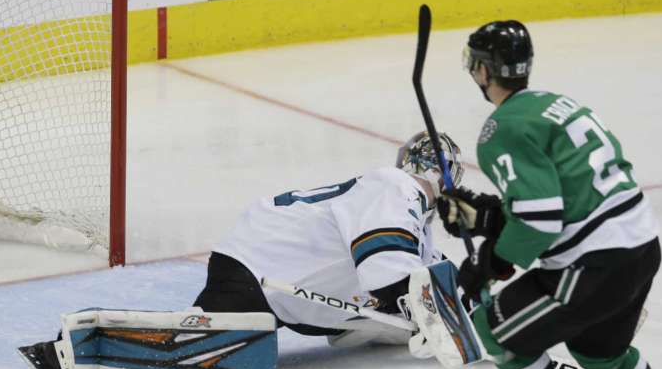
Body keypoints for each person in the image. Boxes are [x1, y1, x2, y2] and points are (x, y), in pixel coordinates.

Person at [439, 20, 662, 369]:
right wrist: (486, 216)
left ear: (482, 71)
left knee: (495, 330)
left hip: (592, 264)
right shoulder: (556, 104)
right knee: (600, 349)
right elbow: (568, 196)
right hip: (640, 247)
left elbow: (541, 219)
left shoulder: (500, 130)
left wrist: (490, 262)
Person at [194, 131, 462, 348]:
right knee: (204, 339)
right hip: (257, 267)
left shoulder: (416, 225)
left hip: (281, 290)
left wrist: (472, 304)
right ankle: (194, 334)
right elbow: (387, 265)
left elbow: (437, 278)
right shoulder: (396, 185)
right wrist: (422, 307)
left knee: (396, 306)